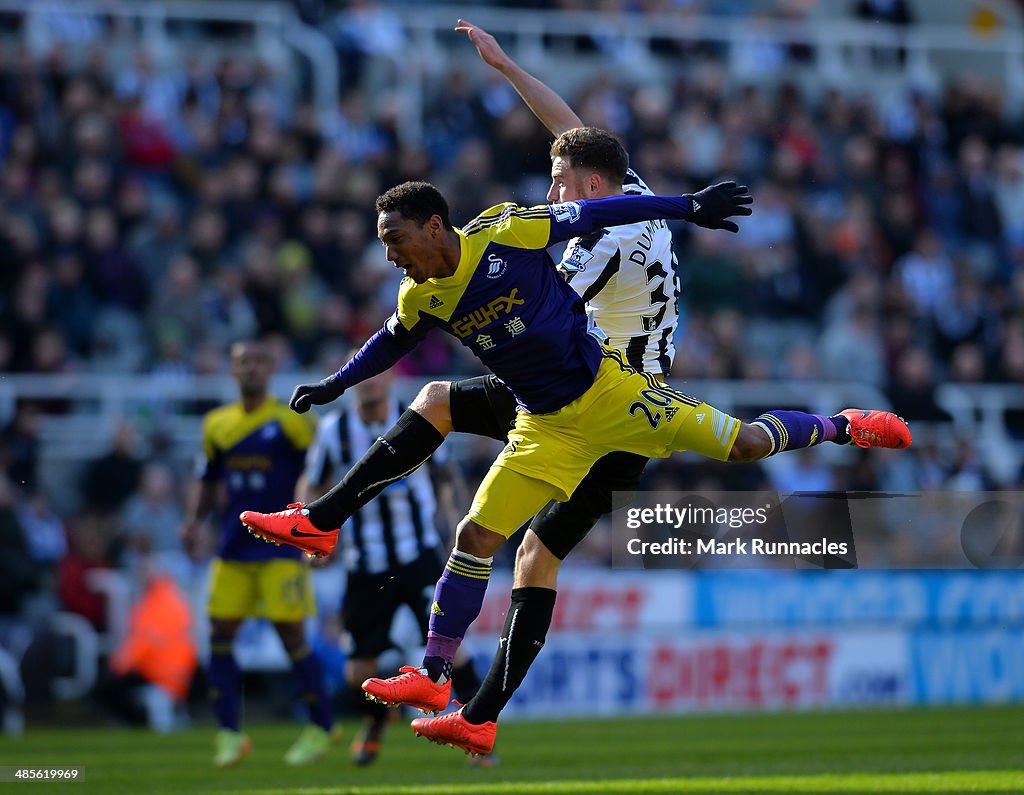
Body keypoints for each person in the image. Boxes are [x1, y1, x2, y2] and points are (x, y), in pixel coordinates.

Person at [241, 175, 910, 756]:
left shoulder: (507, 230)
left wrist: (689, 208)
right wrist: (331, 385)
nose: (390, 255)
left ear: (434, 226)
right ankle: (433, 667)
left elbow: (597, 213)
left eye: (396, 239)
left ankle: (842, 423)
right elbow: (385, 346)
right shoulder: (423, 298)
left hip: (614, 398)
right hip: (544, 427)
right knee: (475, 536)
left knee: (744, 444)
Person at [296, 366, 495, 766]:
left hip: (417, 555)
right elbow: (312, 482)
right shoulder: (334, 431)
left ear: (388, 379)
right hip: (365, 564)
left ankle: (477, 733)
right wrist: (307, 529)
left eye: (376, 374)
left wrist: (452, 516)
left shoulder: (416, 415)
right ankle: (376, 722)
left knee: (452, 648)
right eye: (362, 375)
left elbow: (444, 475)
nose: (370, 381)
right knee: (357, 671)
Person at [180, 340, 339, 768]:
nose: (250, 370)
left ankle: (323, 725)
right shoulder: (217, 424)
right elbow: (209, 478)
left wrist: (316, 528)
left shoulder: (291, 421)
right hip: (232, 547)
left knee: (291, 637)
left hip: (279, 549)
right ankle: (230, 734)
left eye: (257, 362)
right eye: (242, 363)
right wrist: (195, 522)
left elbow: (317, 475)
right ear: (233, 372)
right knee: (219, 635)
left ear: (269, 370)